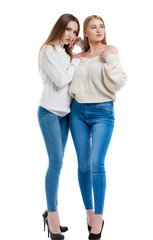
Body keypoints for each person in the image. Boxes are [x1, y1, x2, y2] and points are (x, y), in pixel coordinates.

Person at [69, 15, 127, 240]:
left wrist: (110, 59)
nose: (99, 30)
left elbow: (119, 82)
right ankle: (89, 213)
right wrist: (76, 51)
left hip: (103, 112)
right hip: (78, 112)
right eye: (93, 27)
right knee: (83, 165)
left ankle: (100, 217)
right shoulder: (79, 56)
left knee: (96, 163)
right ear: (85, 32)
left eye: (101, 26)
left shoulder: (109, 50)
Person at [38, 14, 83, 240]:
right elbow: (60, 80)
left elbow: (80, 54)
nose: (71, 35)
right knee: (55, 162)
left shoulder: (67, 52)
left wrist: (77, 45)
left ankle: (50, 210)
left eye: (75, 32)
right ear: (59, 28)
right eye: (68, 29)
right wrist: (77, 59)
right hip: (49, 113)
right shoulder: (48, 49)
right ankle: (52, 216)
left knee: (59, 162)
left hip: (65, 114)